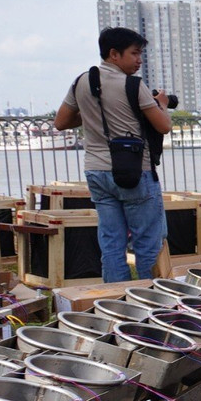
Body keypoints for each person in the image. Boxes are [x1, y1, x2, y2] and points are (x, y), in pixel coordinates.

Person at [53, 27, 174, 282]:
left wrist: (92, 112)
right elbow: (163, 125)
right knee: (147, 243)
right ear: (114, 54)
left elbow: (61, 122)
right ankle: (150, 301)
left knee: (111, 243)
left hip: (97, 171)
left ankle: (117, 300)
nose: (139, 60)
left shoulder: (81, 81)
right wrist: (161, 105)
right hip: (135, 172)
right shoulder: (133, 85)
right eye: (134, 53)